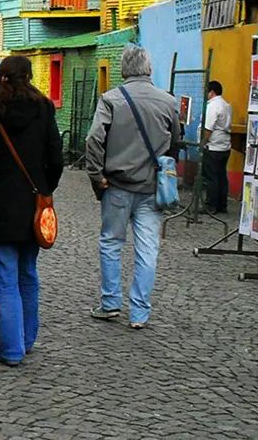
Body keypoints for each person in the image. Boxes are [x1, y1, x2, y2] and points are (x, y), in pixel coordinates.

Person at [0, 55, 63, 366]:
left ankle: (11, 350)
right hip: (33, 201)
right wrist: (45, 187)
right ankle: (26, 340)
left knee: (6, 278)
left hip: (0, 203)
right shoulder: (44, 108)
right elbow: (56, 156)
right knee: (28, 272)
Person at [86, 45, 180, 329]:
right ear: (149, 70)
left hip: (116, 185)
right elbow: (175, 143)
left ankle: (111, 303)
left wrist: (96, 175)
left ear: (124, 70)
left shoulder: (111, 99)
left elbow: (93, 139)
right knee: (147, 250)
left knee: (111, 244)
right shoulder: (168, 102)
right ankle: (140, 313)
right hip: (152, 188)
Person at [202, 80, 234, 214]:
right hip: (225, 145)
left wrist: (203, 142)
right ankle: (222, 204)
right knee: (221, 176)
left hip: (213, 146)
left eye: (206, 91)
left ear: (212, 93)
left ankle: (211, 205)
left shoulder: (213, 106)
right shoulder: (227, 105)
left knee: (211, 177)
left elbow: (208, 128)